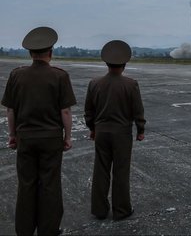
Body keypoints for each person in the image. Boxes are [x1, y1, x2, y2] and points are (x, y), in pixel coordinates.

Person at [1, 26, 76, 235]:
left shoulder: (17, 75)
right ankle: (48, 229)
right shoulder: (60, 76)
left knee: (26, 184)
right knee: (50, 185)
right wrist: (68, 137)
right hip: (51, 138)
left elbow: (10, 110)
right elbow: (66, 112)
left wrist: (12, 135)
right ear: (50, 53)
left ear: (30, 53)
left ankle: (24, 230)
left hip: (25, 138)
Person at [84, 40, 146, 220]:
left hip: (101, 132)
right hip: (122, 133)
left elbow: (89, 111)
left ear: (106, 63)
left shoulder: (94, 83)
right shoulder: (131, 84)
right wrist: (140, 129)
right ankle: (121, 210)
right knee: (121, 171)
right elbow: (137, 110)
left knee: (100, 171)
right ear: (125, 64)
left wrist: (93, 128)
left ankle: (99, 209)